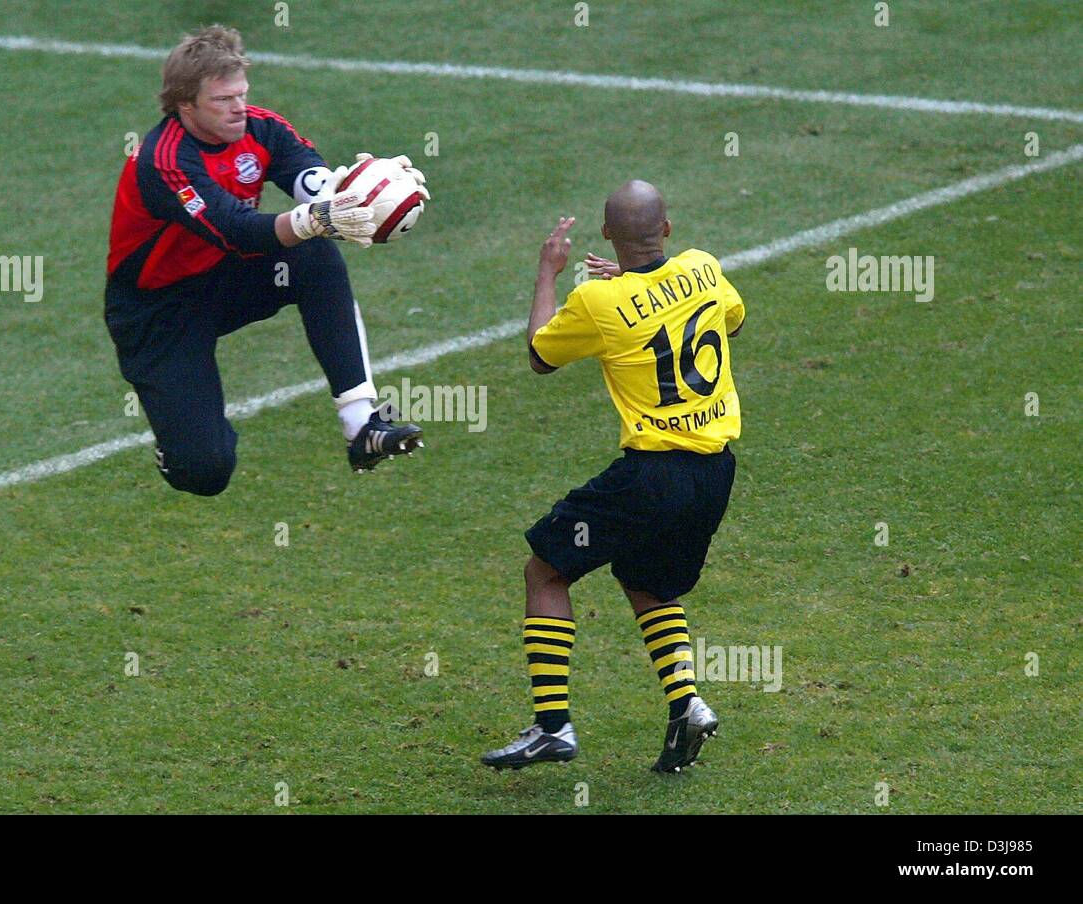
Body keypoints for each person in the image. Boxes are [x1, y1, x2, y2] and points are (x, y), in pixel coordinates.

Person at [481, 181, 746, 773]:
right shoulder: (703, 267)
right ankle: (688, 706)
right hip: (715, 474)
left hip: (653, 476)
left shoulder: (598, 305)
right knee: (649, 582)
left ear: (606, 235)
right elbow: (729, 323)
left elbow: (539, 354)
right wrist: (641, 289)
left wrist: (550, 271)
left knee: (545, 571)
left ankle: (552, 727)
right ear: (669, 228)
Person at [104, 25, 428, 496]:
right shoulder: (164, 160)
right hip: (157, 310)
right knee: (205, 472)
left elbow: (310, 177)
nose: (239, 108)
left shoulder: (262, 127)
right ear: (184, 105)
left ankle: (363, 426)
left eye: (241, 94)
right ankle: (177, 445)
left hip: (223, 280)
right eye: (222, 100)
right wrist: (318, 217)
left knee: (313, 254)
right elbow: (239, 231)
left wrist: (359, 193)